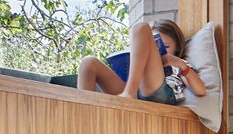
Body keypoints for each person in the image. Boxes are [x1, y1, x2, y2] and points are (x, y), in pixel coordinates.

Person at [78, 18, 206, 105]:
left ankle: (130, 93)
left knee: (141, 27)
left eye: (165, 46)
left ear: (177, 46)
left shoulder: (180, 63)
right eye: (154, 46)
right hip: (137, 90)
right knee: (88, 63)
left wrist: (181, 65)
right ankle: (84, 112)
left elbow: (201, 91)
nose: (159, 50)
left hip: (159, 94)